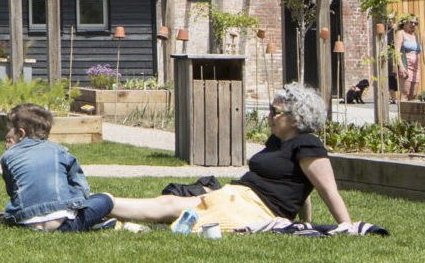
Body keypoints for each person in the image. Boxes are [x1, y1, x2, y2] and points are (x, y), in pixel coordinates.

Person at [110, 84, 364, 231]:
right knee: (168, 203)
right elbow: (300, 189)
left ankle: (102, 209)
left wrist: (347, 227)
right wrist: (304, 222)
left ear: (296, 118)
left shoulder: (309, 144)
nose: (269, 117)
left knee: (176, 214)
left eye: (274, 112)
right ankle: (100, 204)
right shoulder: (279, 141)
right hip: (235, 197)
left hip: (254, 209)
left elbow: (327, 189)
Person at [0, 103, 115, 231]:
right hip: (64, 224)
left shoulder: (7, 157)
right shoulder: (59, 151)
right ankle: (95, 221)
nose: (6, 144)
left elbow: (12, 191)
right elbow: (82, 188)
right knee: (105, 199)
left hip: (23, 222)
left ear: (21, 134)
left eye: (8, 138)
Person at [393, 17, 423, 101]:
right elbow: (397, 51)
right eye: (411, 22)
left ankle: (411, 113)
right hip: (406, 64)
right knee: (405, 92)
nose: (413, 25)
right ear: (405, 23)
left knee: (413, 94)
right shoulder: (400, 33)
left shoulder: (416, 36)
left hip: (416, 67)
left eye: (415, 23)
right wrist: (401, 66)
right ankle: (402, 113)